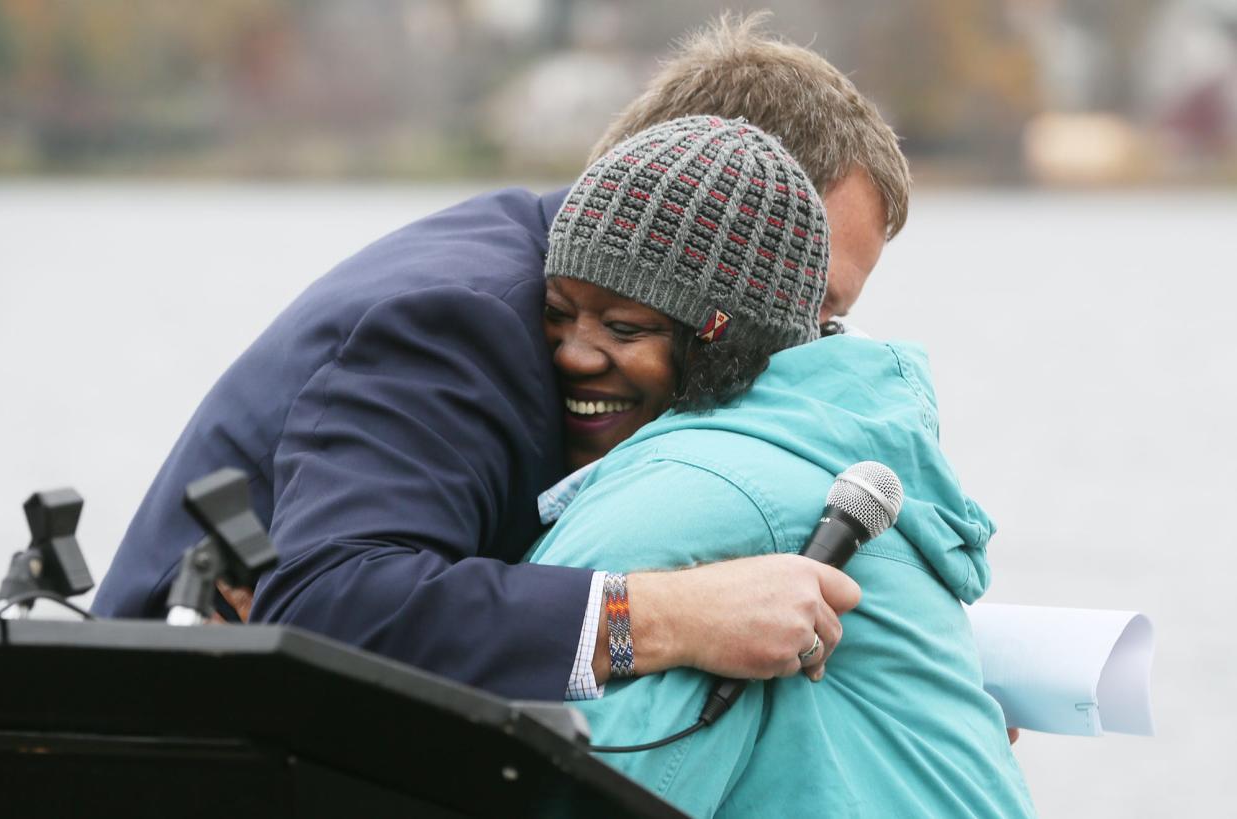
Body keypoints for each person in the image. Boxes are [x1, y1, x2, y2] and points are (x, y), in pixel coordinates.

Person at [92, 13, 908, 702]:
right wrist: (666, 618)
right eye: (807, 297)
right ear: (711, 194)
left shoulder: (577, 298)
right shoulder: (460, 320)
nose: (804, 341)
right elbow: (325, 604)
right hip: (178, 735)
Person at [527, 116, 1035, 818]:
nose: (572, 353)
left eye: (623, 327)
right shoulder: (826, 439)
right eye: (556, 313)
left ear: (720, 344)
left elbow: (543, 779)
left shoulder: (691, 491)